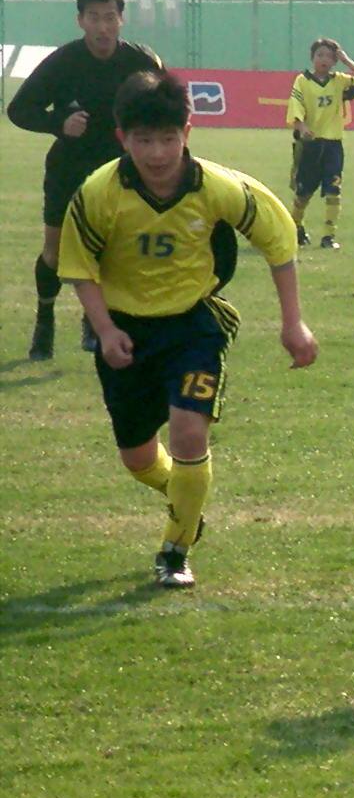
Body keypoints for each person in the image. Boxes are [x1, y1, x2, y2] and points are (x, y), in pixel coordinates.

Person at [55, 69, 318, 587]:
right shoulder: (99, 193)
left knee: (189, 430)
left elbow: (279, 242)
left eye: (168, 139)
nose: (157, 154)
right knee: (136, 458)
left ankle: (175, 550)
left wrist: (294, 323)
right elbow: (78, 265)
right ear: (122, 138)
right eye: (144, 141)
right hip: (125, 332)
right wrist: (105, 330)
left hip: (194, 325)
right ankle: (188, 499)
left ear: (188, 133)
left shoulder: (217, 187)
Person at [7, 0, 163, 361]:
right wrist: (58, 123)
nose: (103, 26)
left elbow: (166, 108)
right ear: (80, 21)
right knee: (56, 252)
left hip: (120, 170)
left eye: (110, 17)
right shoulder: (63, 62)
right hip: (69, 167)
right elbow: (19, 110)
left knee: (109, 251)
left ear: (121, 20)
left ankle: (96, 323)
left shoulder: (141, 62)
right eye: (94, 17)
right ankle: (44, 322)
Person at [285, 37, 354, 250]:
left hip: (333, 146)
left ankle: (328, 236)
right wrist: (302, 126)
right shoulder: (302, 81)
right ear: (312, 58)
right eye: (319, 55)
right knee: (303, 194)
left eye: (329, 56)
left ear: (335, 60)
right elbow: (295, 106)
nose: (324, 60)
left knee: (334, 191)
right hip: (311, 146)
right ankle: (296, 227)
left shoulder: (339, 81)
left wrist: (347, 61)